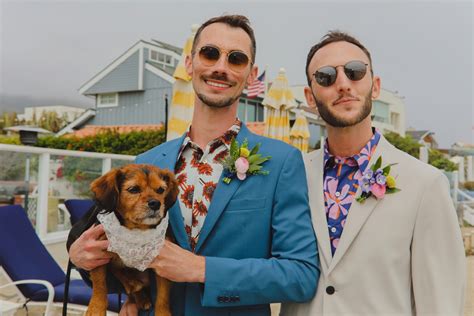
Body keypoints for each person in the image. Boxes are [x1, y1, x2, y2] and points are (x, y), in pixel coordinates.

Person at [68, 15, 319, 316]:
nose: (220, 67)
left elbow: (301, 275)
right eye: (209, 53)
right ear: (190, 64)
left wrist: (202, 269)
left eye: (236, 59)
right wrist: (79, 257)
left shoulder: (282, 162)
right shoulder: (146, 163)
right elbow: (117, 254)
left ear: (251, 76)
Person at [281, 31, 466, 316]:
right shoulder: (290, 175)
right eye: (326, 76)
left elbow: (441, 304)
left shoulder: (425, 185)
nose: (343, 84)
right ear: (309, 96)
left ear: (375, 86)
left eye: (355, 72)